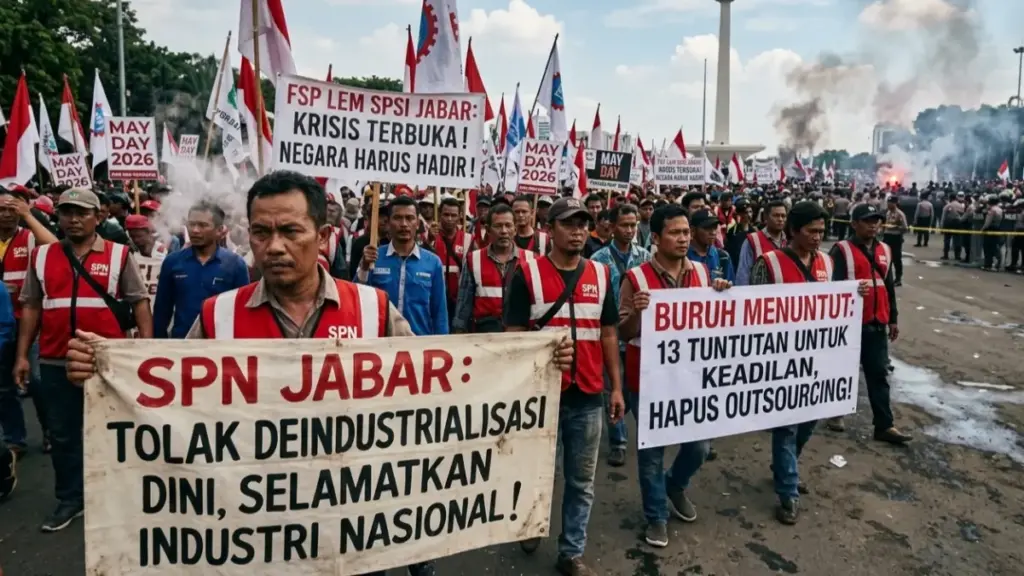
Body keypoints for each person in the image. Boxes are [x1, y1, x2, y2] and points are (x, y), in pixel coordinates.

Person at [65, 171, 575, 576]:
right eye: (261, 232)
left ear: (323, 235)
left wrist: (531, 365)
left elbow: (440, 387)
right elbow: (165, 398)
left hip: (358, 525)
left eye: (291, 231)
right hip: (252, 531)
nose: (274, 246)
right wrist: (104, 374)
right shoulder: (219, 316)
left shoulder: (373, 309)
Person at [15, 187, 152, 532]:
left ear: (98, 217)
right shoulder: (42, 256)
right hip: (55, 359)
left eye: (82, 213)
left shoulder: (119, 254)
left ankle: (117, 495)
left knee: (113, 431)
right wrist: (22, 356)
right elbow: (31, 307)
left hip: (107, 362)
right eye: (66, 212)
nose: (73, 219)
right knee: (63, 435)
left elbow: (139, 301)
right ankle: (71, 499)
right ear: (58, 217)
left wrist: (146, 351)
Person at [503, 197, 625, 576]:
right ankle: (530, 524)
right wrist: (544, 353)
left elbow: (608, 333)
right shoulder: (527, 275)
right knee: (537, 473)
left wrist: (615, 388)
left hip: (587, 396)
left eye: (583, 224)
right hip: (541, 399)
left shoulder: (601, 275)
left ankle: (571, 552)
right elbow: (513, 338)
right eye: (569, 224)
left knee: (581, 482)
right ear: (549, 228)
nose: (578, 231)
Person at [749, 201, 869, 525]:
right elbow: (751, 311)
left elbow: (835, 302)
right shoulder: (769, 263)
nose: (818, 237)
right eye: (811, 231)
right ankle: (788, 492)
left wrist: (854, 293)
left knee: (808, 421)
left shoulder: (827, 263)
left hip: (816, 361)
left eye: (821, 231)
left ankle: (784, 467)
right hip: (780, 360)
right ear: (793, 231)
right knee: (786, 425)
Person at [618, 203, 730, 547]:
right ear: (655, 237)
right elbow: (623, 332)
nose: (683, 239)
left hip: (690, 378)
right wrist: (638, 313)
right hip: (648, 379)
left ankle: (675, 485)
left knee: (699, 446)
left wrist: (723, 293)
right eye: (675, 233)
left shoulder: (702, 274)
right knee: (651, 452)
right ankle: (656, 516)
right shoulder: (636, 278)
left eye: (686, 232)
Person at [830, 204, 912, 445]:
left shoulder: (885, 249)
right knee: (842, 371)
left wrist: (893, 318)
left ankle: (885, 426)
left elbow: (888, 286)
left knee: (878, 375)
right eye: (867, 221)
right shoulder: (841, 250)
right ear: (854, 224)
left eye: (876, 220)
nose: (873, 225)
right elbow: (832, 287)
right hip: (849, 324)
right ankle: (835, 413)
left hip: (877, 323)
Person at [589, 203, 650, 468]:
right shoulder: (598, 259)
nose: (629, 230)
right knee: (611, 388)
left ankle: (630, 424)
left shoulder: (645, 257)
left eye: (633, 225)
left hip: (637, 334)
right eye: (624, 225)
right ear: (612, 227)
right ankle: (618, 442)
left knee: (633, 390)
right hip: (608, 333)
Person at [0, 188, 58, 457]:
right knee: (3, 386)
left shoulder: (29, 237)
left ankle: (49, 430)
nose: (6, 215)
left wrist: (28, 216)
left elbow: (55, 247)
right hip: (2, 324)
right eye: (1, 210)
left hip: (30, 322)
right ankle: (15, 439)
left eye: (11, 209)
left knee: (37, 380)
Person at [151, 202, 249, 339]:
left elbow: (243, 311)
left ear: (219, 230)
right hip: (182, 342)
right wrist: (158, 343)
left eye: (203, 225)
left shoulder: (235, 264)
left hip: (221, 342)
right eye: (192, 224)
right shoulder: (172, 262)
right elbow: (162, 310)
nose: (195, 230)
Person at [358, 196, 448, 336]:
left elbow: (439, 313)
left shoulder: (433, 262)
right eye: (398, 218)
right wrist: (364, 267)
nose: (404, 224)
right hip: (381, 341)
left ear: (418, 224)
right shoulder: (373, 257)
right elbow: (358, 299)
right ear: (388, 223)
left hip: (419, 342)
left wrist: (442, 344)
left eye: (410, 218)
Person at [452, 203, 530, 334]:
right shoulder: (473, 260)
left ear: (515, 229)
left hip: (519, 338)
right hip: (483, 338)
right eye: (498, 226)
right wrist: (458, 334)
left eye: (508, 225)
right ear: (488, 230)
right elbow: (463, 308)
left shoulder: (530, 260)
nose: (504, 231)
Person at [430, 196, 474, 323]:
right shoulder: (429, 237)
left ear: (459, 216)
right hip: (434, 298)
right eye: (446, 214)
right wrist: (429, 241)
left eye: (453, 215)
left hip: (459, 301)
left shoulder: (468, 239)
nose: (449, 219)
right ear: (439, 214)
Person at [735, 199, 787, 286]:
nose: (780, 219)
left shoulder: (790, 241)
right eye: (776, 215)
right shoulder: (752, 241)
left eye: (783, 216)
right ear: (766, 217)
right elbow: (743, 275)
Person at [687, 209, 735, 283]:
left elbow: (731, 285)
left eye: (715, 227)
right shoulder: (683, 256)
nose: (713, 232)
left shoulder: (723, 257)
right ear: (693, 230)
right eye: (707, 228)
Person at [881, 196, 908, 286]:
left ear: (895, 203)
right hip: (887, 237)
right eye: (888, 203)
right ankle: (887, 277)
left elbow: (905, 228)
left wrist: (896, 227)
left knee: (896, 258)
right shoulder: (888, 212)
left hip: (895, 237)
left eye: (890, 203)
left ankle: (898, 278)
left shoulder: (900, 214)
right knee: (886, 258)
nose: (888, 205)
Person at [940, 191, 967, 261]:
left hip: (948, 223)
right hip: (958, 223)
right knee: (957, 240)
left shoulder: (948, 205)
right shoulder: (960, 205)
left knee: (947, 239)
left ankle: (946, 255)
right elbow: (963, 214)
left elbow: (943, 216)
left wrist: (941, 225)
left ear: (950, 198)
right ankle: (957, 256)